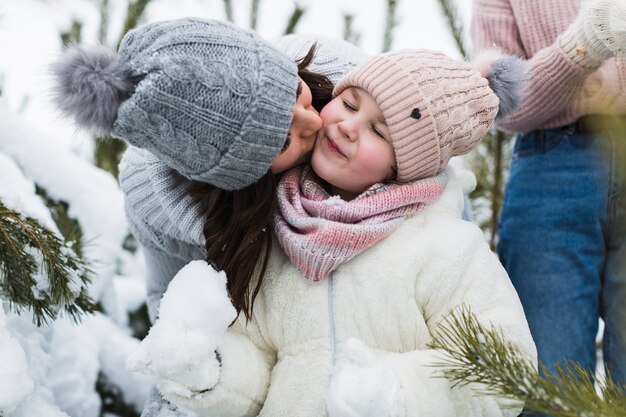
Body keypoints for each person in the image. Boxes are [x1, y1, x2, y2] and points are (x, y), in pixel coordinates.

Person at [131, 48, 537, 417]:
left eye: (380, 131)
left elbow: (500, 368)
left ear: (405, 167)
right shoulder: (278, 232)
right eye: (348, 103)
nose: (347, 126)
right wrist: (212, 370)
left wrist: (400, 394)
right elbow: (259, 361)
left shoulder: (444, 247)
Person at [52, 17, 369, 416]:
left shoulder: (339, 73)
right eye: (285, 140)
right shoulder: (160, 204)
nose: (317, 121)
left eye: (296, 93)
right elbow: (171, 316)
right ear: (244, 179)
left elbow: (426, 147)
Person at [471, 0, 626, 396]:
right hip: (549, 172)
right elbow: (499, 100)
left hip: (552, 151)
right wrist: (583, 47)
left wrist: (567, 87)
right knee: (549, 382)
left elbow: (528, 87)